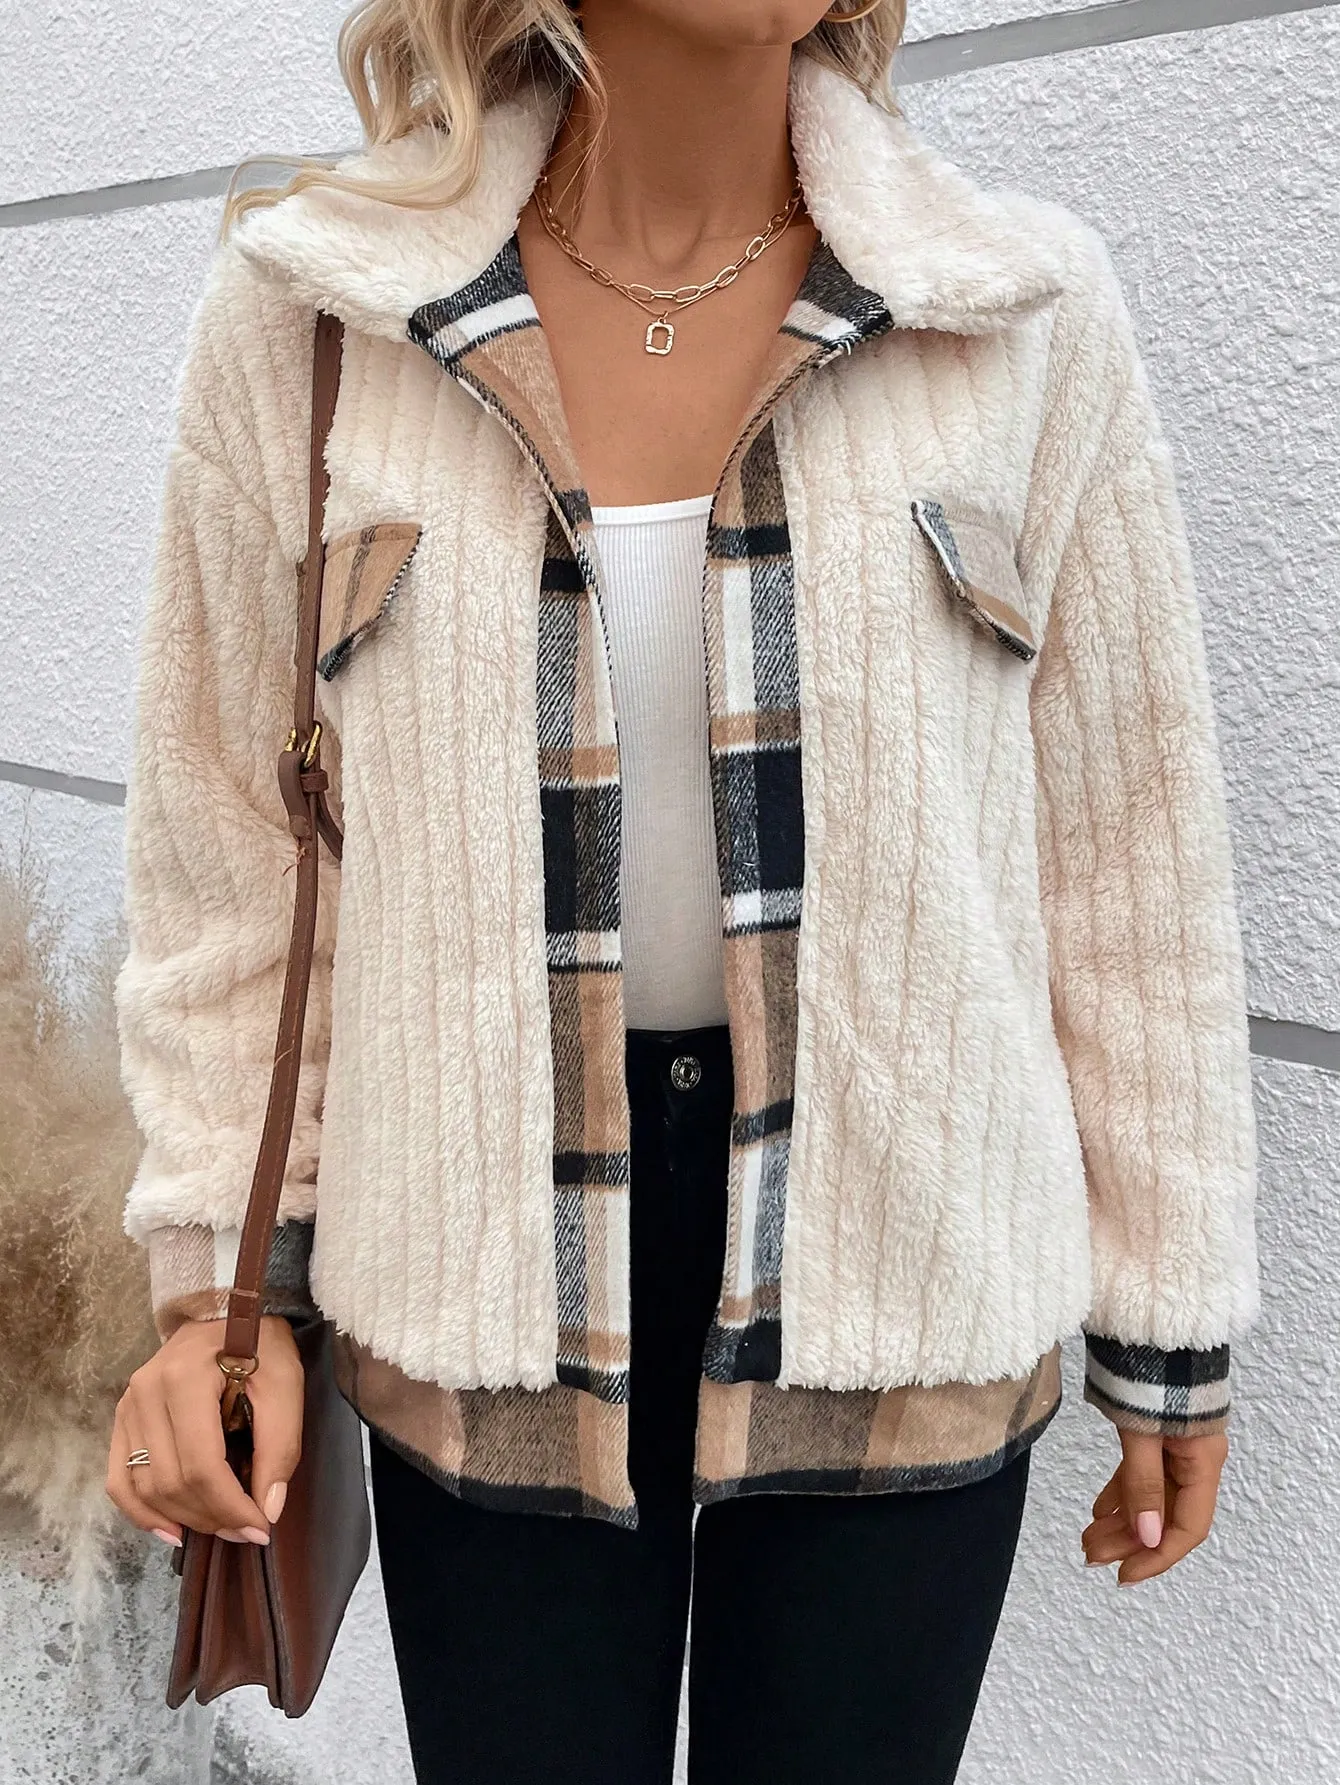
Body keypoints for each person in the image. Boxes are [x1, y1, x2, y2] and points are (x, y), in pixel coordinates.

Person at [105, 2, 1259, 1779]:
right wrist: (218, 1290)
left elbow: (1127, 850)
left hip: (902, 1259)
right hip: (481, 1276)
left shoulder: (1013, 310)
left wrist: (1167, 1319)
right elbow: (228, 862)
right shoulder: (319, 313)